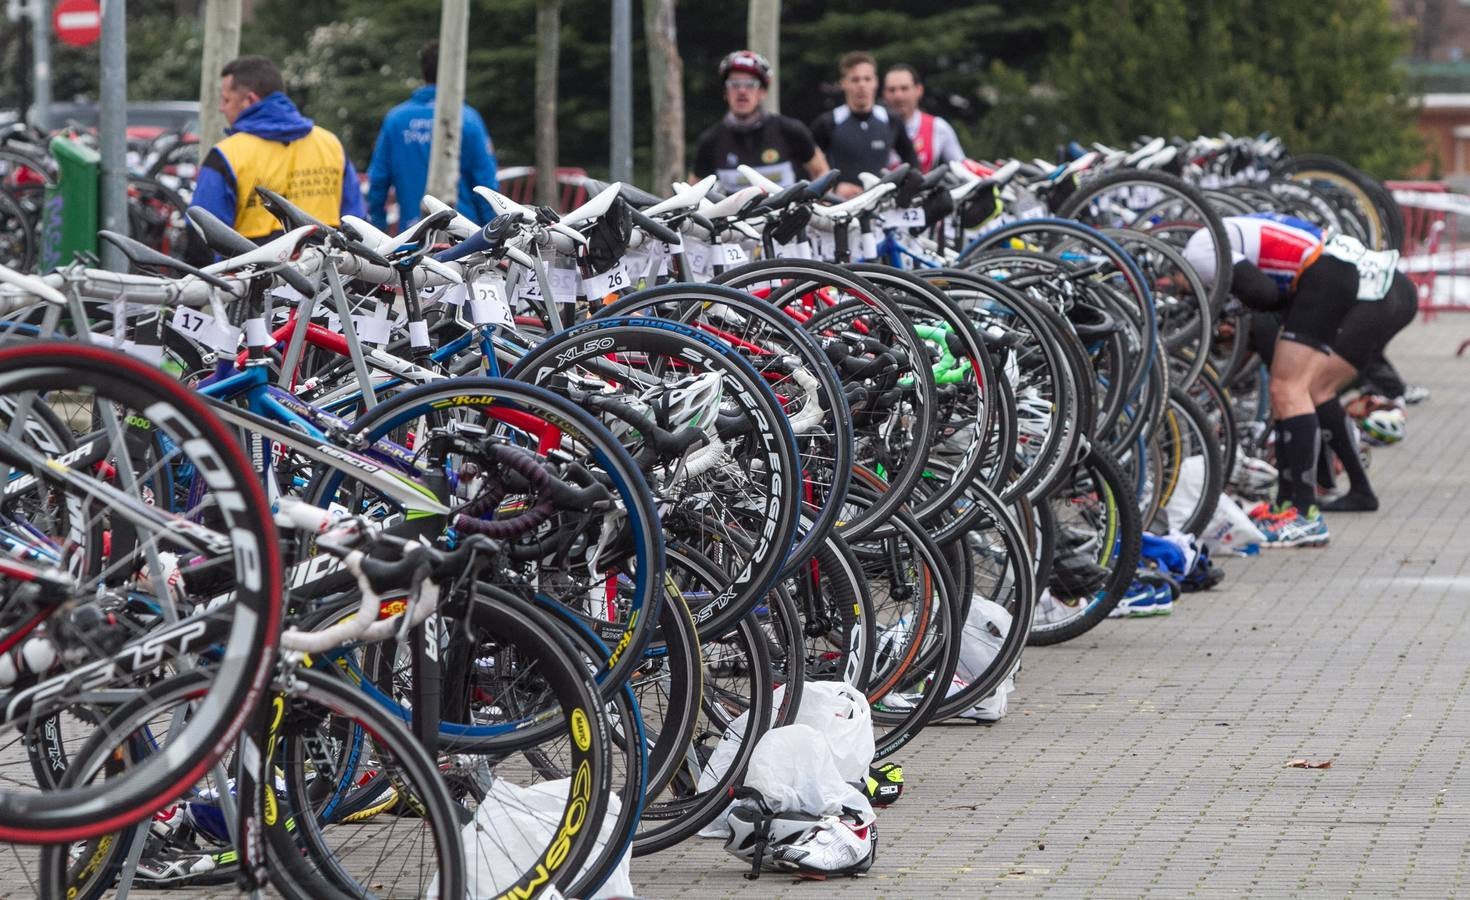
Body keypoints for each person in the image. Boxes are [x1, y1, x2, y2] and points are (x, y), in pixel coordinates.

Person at [1185, 214, 1415, 545]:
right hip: (1357, 276)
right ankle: (1292, 505)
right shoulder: (1222, 238)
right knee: (1292, 391)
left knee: (1302, 389)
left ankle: (1308, 511)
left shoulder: (1201, 253)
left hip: (1362, 286)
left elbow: (1263, 293)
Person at [191, 55, 365, 242]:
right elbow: (358, 225)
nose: (221, 109)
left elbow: (203, 235)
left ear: (249, 100)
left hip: (252, 269)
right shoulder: (330, 144)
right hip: (327, 268)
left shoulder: (226, 155)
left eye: (226, 100)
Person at [367, 41, 499, 232]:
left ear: (423, 71)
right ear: (455, 71)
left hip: (413, 233)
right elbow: (486, 184)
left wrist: (377, 228)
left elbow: (378, 182)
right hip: (464, 234)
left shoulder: (396, 120)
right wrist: (494, 233)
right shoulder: (467, 119)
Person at [692, 51, 829, 194]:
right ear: (725, 92)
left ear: (762, 92)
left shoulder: (791, 131)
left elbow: (821, 173)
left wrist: (818, 206)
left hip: (786, 215)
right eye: (734, 84)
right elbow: (692, 193)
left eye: (750, 84)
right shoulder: (710, 140)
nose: (742, 91)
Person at [810, 52, 918, 199]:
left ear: (876, 82)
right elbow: (806, 166)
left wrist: (899, 188)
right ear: (844, 83)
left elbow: (912, 164)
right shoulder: (828, 122)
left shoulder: (891, 120)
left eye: (867, 79)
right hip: (840, 207)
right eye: (855, 79)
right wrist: (834, 188)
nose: (862, 85)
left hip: (879, 205)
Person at [881, 64, 964, 173]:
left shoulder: (937, 127)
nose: (898, 96)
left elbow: (962, 169)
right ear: (884, 94)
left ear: (919, 90)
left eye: (904, 88)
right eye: (892, 90)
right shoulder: (874, 126)